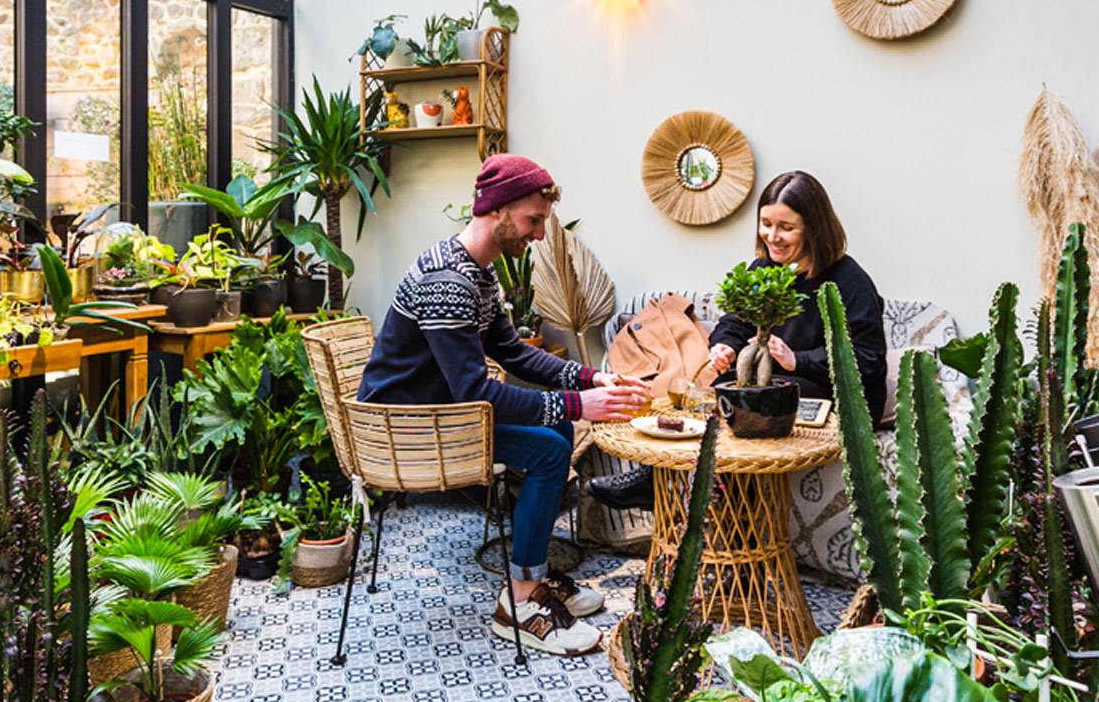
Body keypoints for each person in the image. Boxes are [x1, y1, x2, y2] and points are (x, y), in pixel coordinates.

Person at [358, 154, 651, 655]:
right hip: (406, 430)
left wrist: (591, 375)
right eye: (533, 221)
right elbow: (478, 393)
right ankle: (519, 604)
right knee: (550, 449)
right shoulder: (448, 282)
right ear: (496, 209)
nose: (539, 235)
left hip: (442, 414)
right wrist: (580, 404)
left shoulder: (479, 274)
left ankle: (531, 577)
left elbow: (512, 353)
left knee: (555, 437)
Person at [707, 170, 888, 421]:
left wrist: (797, 360)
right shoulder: (762, 269)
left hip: (831, 396)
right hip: (771, 385)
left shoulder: (850, 280)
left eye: (786, 227)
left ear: (813, 229)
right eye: (766, 224)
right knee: (717, 395)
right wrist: (724, 346)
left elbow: (868, 358)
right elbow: (735, 323)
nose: (772, 237)